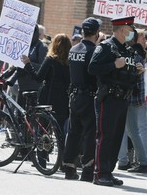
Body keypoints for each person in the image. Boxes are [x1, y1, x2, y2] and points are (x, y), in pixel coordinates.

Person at [88, 16, 140, 187]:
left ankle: (108, 171)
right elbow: (92, 68)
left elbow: (126, 75)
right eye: (130, 29)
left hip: (123, 99)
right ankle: (100, 173)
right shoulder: (106, 47)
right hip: (108, 98)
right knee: (105, 136)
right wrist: (113, 65)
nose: (132, 32)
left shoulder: (127, 50)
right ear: (121, 29)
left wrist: (136, 71)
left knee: (116, 137)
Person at [62, 17, 101, 181]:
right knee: (89, 134)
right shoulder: (94, 51)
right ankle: (87, 170)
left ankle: (69, 168)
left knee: (73, 132)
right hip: (89, 97)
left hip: (74, 97)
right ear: (96, 34)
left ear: (83, 32)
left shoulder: (73, 49)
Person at [117, 29, 147, 173]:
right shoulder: (136, 54)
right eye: (142, 36)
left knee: (129, 130)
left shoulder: (132, 54)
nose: (145, 39)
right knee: (134, 130)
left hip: (130, 98)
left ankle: (128, 161)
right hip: (134, 98)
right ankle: (141, 161)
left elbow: (133, 78)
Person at [21, 33, 71, 141]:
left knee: (44, 128)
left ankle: (42, 156)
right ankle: (61, 153)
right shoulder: (70, 61)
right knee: (60, 128)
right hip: (64, 99)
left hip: (49, 98)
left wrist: (28, 64)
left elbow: (38, 77)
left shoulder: (50, 60)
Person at [6, 24, 48, 109]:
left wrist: (28, 64)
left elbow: (43, 67)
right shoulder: (23, 46)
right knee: (19, 118)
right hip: (21, 87)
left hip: (34, 89)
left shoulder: (42, 46)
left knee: (31, 119)